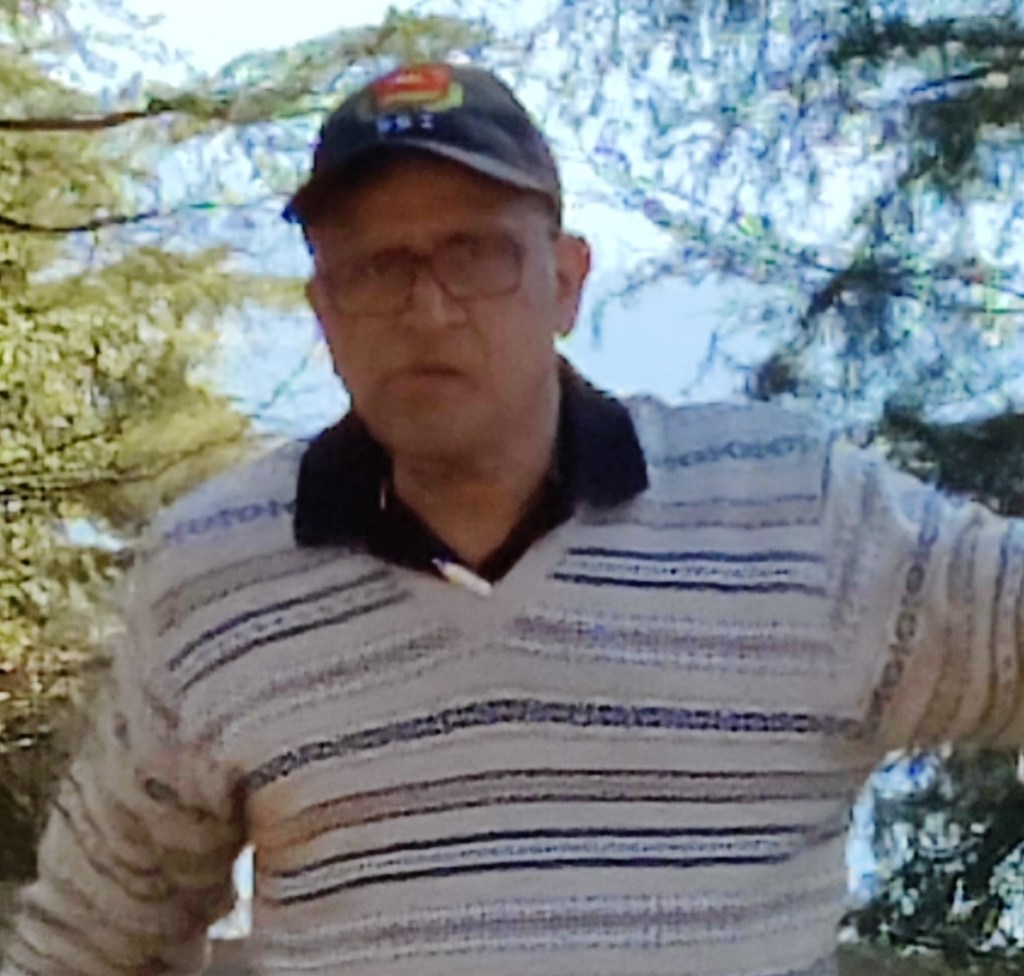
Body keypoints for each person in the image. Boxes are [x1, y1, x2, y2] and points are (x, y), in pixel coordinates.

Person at [2, 60, 1022, 976]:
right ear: (325, 312)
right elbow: (94, 940)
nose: (429, 309)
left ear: (565, 282)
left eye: (475, 253)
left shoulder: (797, 521)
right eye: (377, 268)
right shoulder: (214, 579)